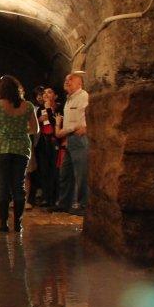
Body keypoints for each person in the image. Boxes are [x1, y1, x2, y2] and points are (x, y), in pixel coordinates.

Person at [0, 74, 38, 232]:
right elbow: (35, 129)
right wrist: (20, 130)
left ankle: (3, 224)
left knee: (2, 187)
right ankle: (18, 224)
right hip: (21, 148)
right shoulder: (27, 106)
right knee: (19, 186)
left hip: (0, 148)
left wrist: (3, 129)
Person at [55, 72, 90, 214]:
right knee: (65, 173)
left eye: (71, 79)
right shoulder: (69, 99)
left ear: (80, 83)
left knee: (82, 173)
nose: (67, 81)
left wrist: (65, 131)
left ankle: (83, 205)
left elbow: (84, 118)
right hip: (70, 139)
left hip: (79, 139)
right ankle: (64, 203)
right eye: (66, 79)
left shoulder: (83, 96)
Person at [34, 87, 60, 207]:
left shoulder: (59, 108)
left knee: (54, 170)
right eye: (44, 92)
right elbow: (35, 125)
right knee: (43, 170)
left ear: (55, 96)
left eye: (49, 92)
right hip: (43, 142)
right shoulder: (40, 109)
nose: (45, 94)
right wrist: (38, 120)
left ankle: (54, 197)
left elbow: (55, 123)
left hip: (55, 141)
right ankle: (46, 196)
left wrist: (49, 110)